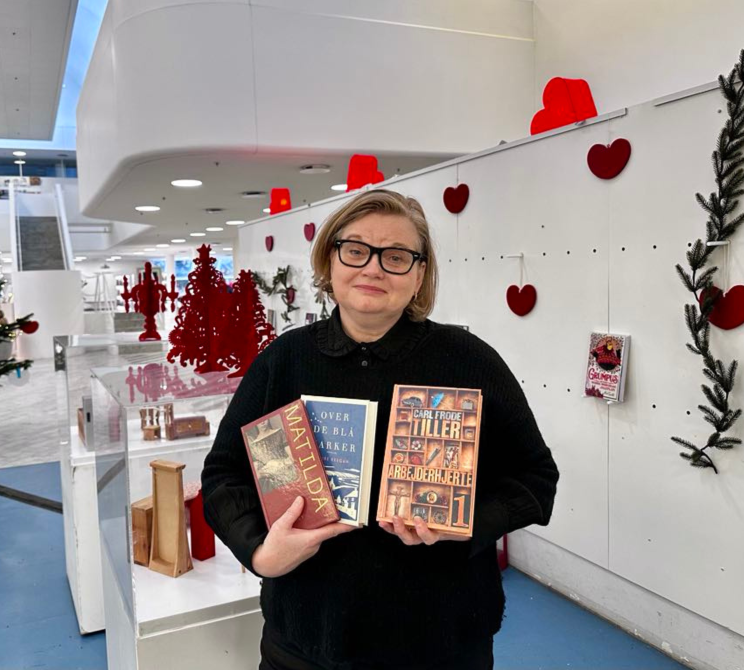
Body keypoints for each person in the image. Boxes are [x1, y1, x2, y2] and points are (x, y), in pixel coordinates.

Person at [202, 189, 559, 670]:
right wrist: (260, 553)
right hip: (305, 643)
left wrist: (462, 523)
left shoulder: (468, 360)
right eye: (356, 250)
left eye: (396, 257)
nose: (372, 268)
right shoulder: (283, 361)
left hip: (441, 644)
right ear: (329, 260)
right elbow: (224, 475)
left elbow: (535, 480)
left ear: (419, 275)